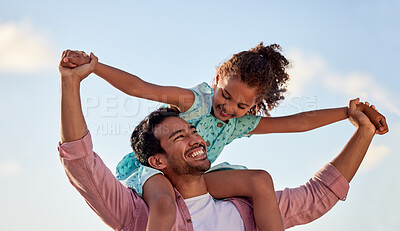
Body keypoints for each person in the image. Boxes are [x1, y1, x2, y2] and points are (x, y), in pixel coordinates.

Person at [59, 51, 384, 230]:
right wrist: (95, 67)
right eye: (225, 96)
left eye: (242, 105)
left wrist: (346, 112)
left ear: (253, 106)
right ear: (217, 79)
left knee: (259, 180)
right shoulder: (196, 101)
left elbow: (296, 123)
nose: (228, 108)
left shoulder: (239, 123)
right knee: (163, 203)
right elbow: (141, 88)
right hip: (152, 171)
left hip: (198, 176)